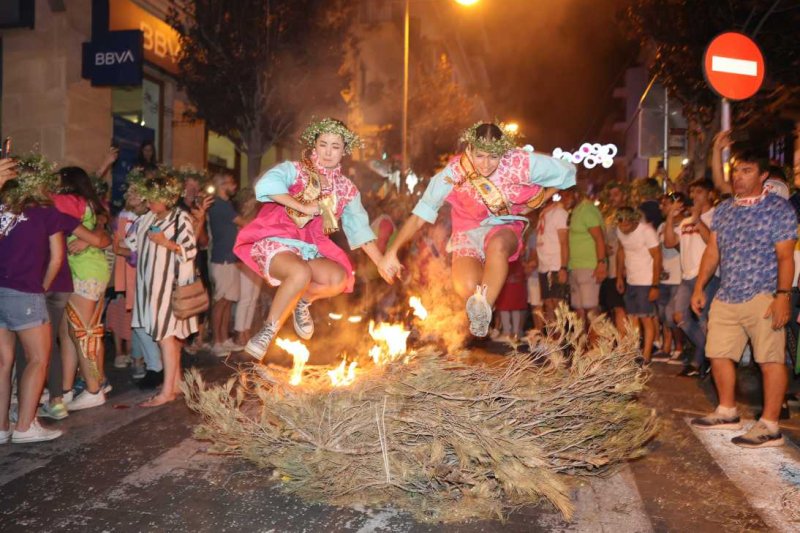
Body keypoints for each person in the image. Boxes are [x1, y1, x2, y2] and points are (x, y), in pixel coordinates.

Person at [381, 122, 576, 337]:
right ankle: (481, 303)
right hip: (468, 229)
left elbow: (568, 172)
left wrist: (537, 201)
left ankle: (483, 311)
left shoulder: (520, 162)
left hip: (505, 226)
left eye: (494, 157)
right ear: (469, 150)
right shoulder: (455, 172)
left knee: (498, 246)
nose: (486, 165)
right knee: (465, 286)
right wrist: (392, 251)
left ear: (504, 151)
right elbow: (420, 215)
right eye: (480, 156)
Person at [235, 118, 392, 359]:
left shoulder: (346, 188)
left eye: (335, 146)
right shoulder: (296, 170)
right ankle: (268, 331)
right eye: (323, 144)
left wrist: (381, 261)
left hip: (310, 247)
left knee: (339, 278)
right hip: (277, 239)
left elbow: (359, 229)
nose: (328, 152)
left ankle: (303, 301)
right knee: (300, 273)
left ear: (344, 150)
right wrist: (302, 206)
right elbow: (265, 185)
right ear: (314, 145)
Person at [691, 148, 797, 448]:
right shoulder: (725, 210)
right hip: (727, 293)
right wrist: (700, 286)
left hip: (763, 294)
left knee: (770, 359)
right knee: (717, 352)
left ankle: (770, 425)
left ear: (763, 175)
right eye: (736, 170)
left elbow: (786, 257)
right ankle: (727, 411)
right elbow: (713, 251)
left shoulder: (779, 209)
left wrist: (782, 296)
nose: (738, 176)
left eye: (747, 170)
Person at [0, 158, 74, 442]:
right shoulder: (45, 212)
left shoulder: (2, 208)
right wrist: (40, 288)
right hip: (25, 291)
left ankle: (2, 426)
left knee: (3, 363)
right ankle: (25, 427)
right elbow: (57, 258)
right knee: (38, 358)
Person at [125, 174, 199, 406]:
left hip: (169, 287)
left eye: (152, 199)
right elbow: (130, 244)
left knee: (167, 338)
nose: (148, 203)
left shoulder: (181, 218)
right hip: (148, 289)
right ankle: (174, 384)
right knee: (165, 338)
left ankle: (167, 392)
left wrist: (165, 242)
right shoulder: (146, 218)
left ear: (166, 198)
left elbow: (190, 250)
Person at [53, 167, 112, 411]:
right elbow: (103, 225)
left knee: (82, 333)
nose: (52, 185)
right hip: (88, 270)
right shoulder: (88, 203)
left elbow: (40, 200)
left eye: (56, 180)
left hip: (84, 272)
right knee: (70, 332)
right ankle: (66, 390)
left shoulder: (68, 200)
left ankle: (93, 389)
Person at [663, 179, 718, 377]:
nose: (694, 196)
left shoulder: (716, 216)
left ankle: (699, 362)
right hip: (687, 277)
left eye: (699, 192)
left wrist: (698, 220)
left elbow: (712, 242)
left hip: (707, 277)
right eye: (692, 192)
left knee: (704, 321)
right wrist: (670, 217)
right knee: (679, 316)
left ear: (711, 194)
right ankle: (711, 356)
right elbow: (669, 242)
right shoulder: (686, 221)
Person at [615, 207, 662, 363]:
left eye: (626, 225)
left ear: (634, 221)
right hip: (631, 280)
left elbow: (657, 257)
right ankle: (634, 352)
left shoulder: (646, 231)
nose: (623, 228)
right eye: (620, 225)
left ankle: (646, 355)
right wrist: (619, 277)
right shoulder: (620, 230)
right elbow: (621, 251)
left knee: (646, 319)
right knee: (632, 319)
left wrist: (655, 285)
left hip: (646, 280)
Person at [206, 171, 241, 357]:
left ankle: (224, 338)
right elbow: (242, 222)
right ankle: (216, 341)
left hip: (230, 257)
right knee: (220, 301)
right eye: (230, 182)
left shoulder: (225, 204)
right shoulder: (220, 205)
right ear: (221, 185)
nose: (234, 186)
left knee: (228, 300)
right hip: (223, 258)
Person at [562, 187, 606, 323]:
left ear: (576, 194)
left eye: (566, 196)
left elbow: (599, 238)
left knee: (591, 310)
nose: (564, 200)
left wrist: (601, 263)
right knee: (578, 310)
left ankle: (595, 344)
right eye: (562, 196)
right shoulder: (574, 212)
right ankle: (581, 344)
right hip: (575, 267)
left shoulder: (587, 210)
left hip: (589, 267)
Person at [656, 193, 684, 364]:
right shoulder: (661, 226)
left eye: (665, 204)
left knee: (672, 314)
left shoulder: (685, 225)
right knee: (662, 315)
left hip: (679, 276)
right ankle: (667, 347)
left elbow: (670, 244)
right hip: (664, 277)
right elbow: (660, 249)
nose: (662, 207)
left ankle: (679, 347)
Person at [536, 195, 570, 322]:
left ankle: (561, 339)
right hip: (544, 267)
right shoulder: (542, 215)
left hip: (556, 265)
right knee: (548, 304)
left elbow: (564, 242)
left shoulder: (559, 213)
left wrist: (563, 267)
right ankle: (552, 340)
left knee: (558, 305)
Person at [600, 182, 628, 331]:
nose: (612, 198)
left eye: (616, 194)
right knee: (616, 307)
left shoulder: (633, 215)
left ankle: (628, 344)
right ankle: (623, 342)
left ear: (624, 195)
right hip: (612, 268)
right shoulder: (609, 219)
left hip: (629, 268)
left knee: (627, 308)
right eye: (610, 195)